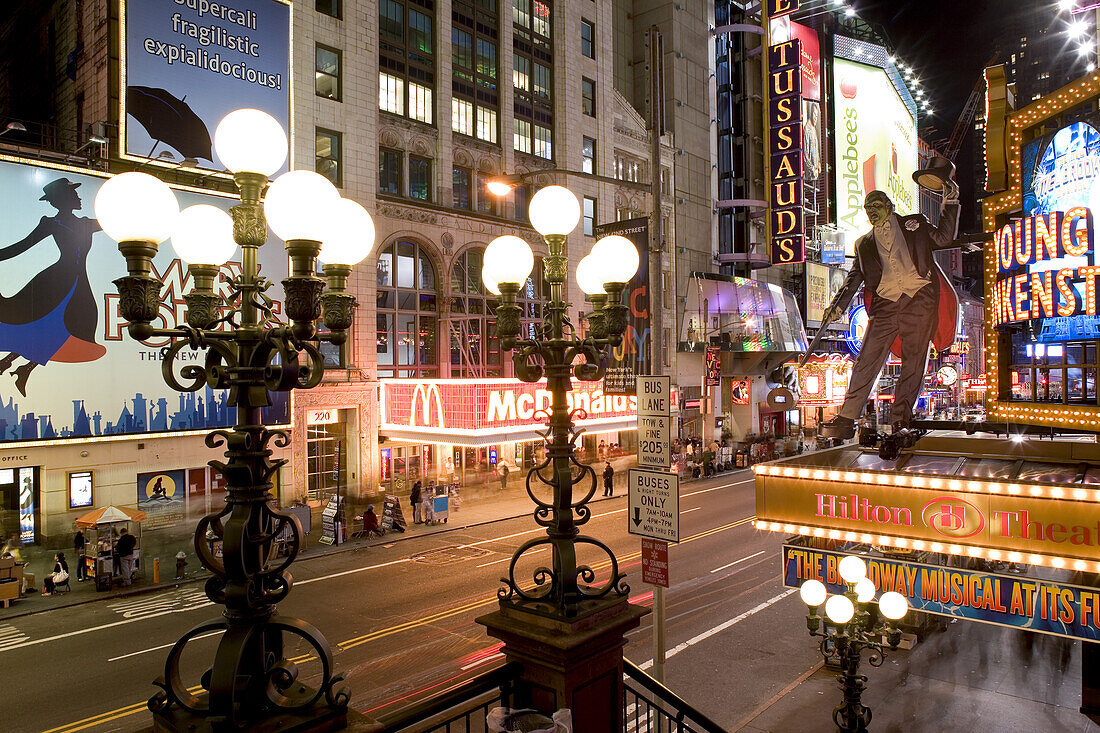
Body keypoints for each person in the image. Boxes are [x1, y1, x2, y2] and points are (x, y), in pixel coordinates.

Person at [819, 176, 960, 439]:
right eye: (867, 208)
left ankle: (901, 419)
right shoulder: (863, 243)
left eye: (876, 205)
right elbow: (854, 278)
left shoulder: (913, 224)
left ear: (889, 206)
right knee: (866, 358)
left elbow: (942, 238)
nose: (871, 211)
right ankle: (847, 416)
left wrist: (950, 202)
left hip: (919, 298)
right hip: (885, 304)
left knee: (913, 361)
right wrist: (837, 307)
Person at [0, 177, 106, 397]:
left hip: (77, 282)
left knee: (69, 330)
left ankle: (19, 367)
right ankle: (14, 365)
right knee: (46, 327)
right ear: (61, 200)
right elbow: (20, 247)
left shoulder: (86, 223)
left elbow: (116, 222)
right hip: (56, 281)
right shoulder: (51, 223)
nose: (78, 197)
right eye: (73, 194)